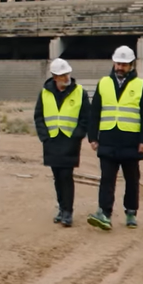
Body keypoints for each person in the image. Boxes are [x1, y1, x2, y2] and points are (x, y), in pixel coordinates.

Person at [87, 46, 143, 231]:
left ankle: (131, 212)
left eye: (124, 64)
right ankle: (104, 213)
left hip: (131, 142)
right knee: (107, 179)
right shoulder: (103, 83)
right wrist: (92, 136)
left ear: (131, 65)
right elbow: (95, 113)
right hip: (108, 139)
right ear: (113, 63)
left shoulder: (140, 85)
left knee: (131, 179)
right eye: (118, 63)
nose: (120, 67)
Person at [33, 58, 89, 227]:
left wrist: (77, 136)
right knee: (57, 176)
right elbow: (39, 117)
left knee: (66, 176)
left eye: (67, 74)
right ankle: (61, 208)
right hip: (52, 141)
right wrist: (45, 137)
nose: (66, 78)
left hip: (69, 141)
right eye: (62, 75)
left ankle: (68, 211)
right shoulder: (45, 93)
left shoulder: (79, 92)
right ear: (54, 77)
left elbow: (86, 117)